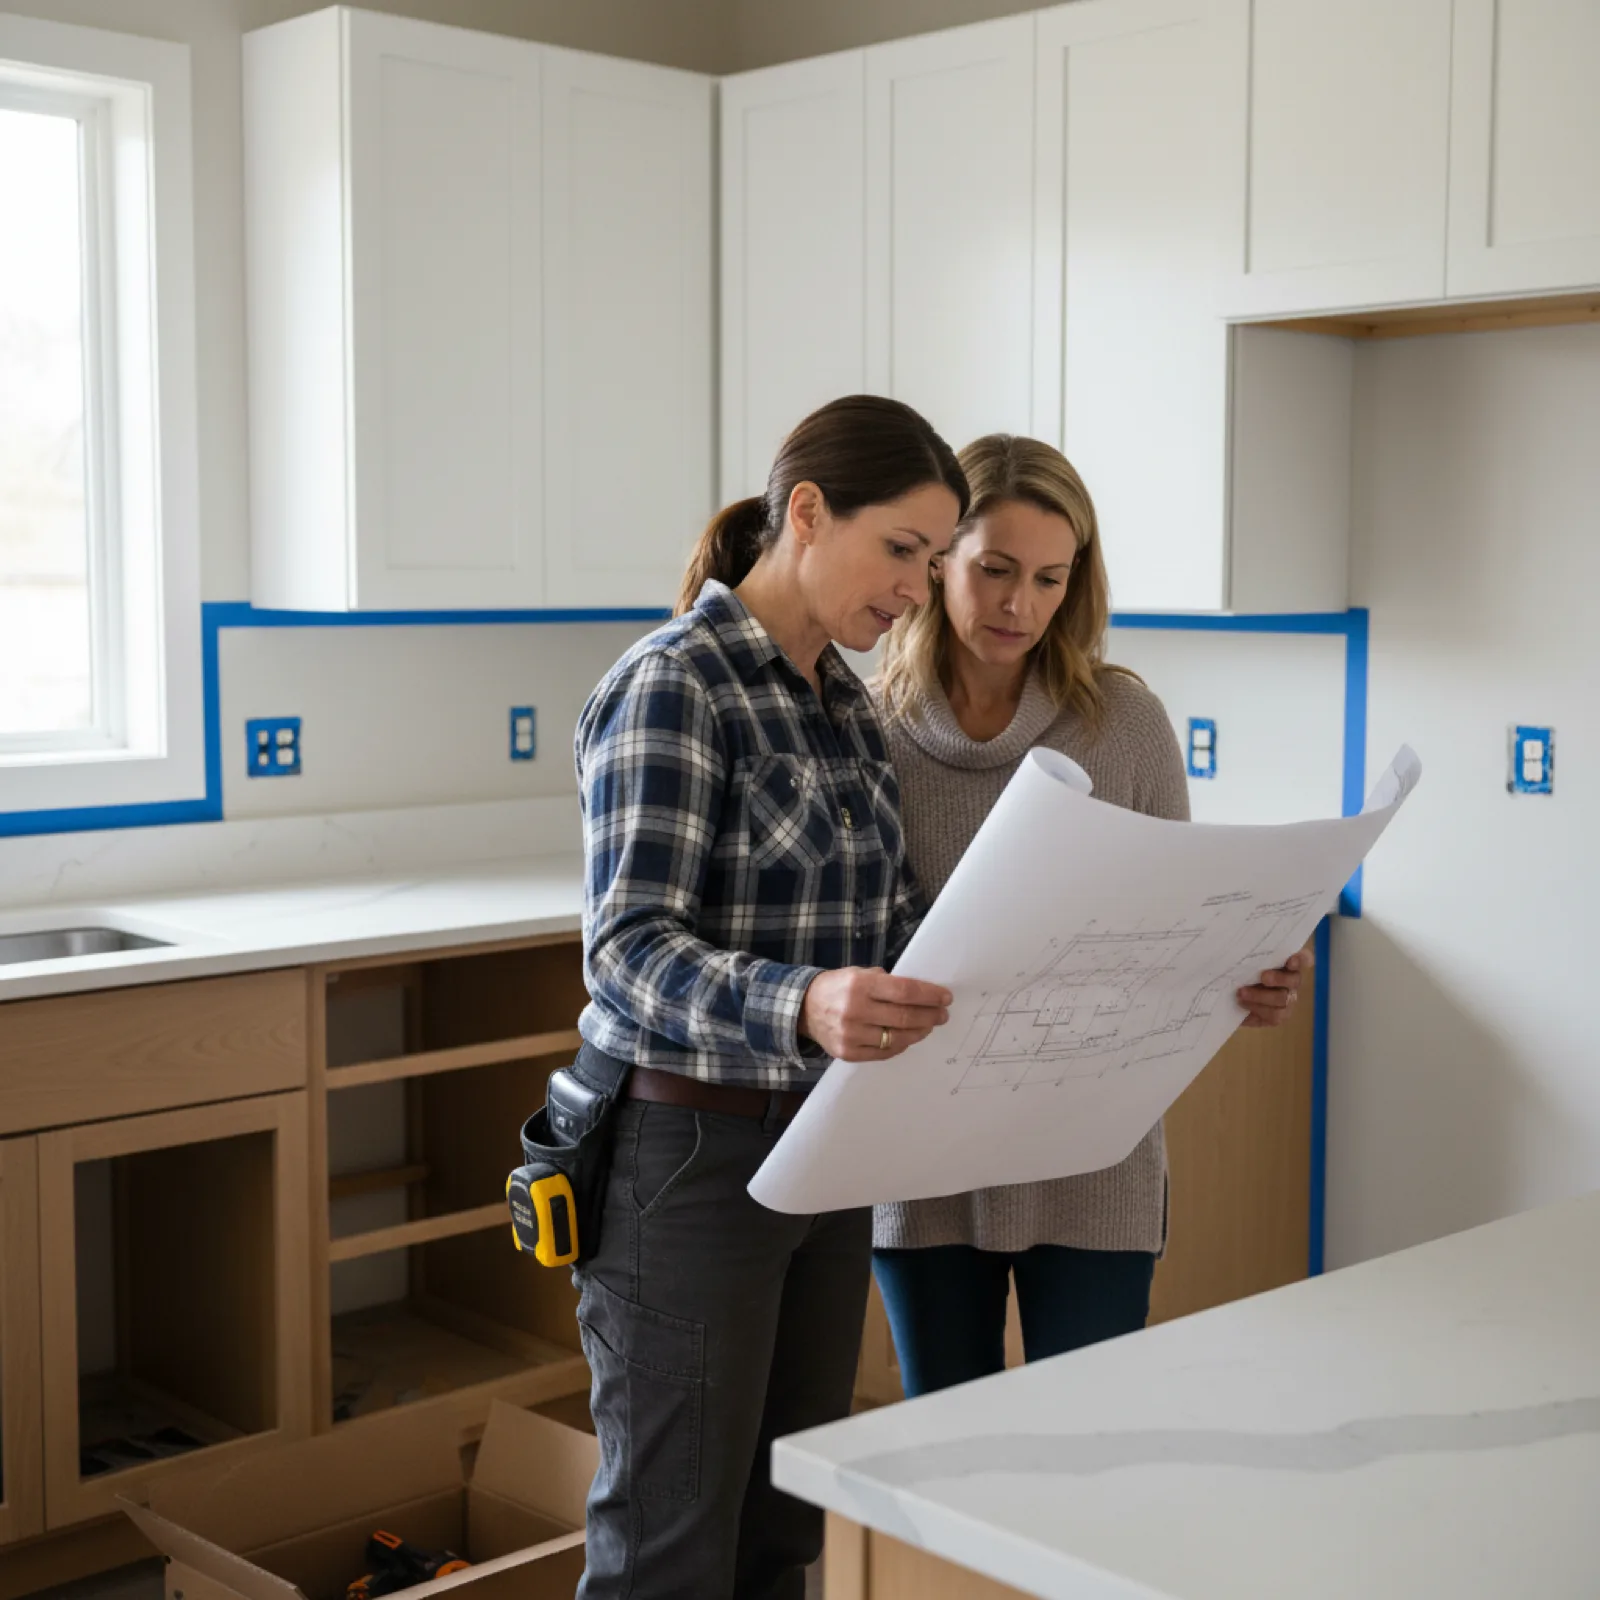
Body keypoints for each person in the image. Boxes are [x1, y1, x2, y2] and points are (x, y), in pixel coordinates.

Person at [570, 396, 966, 1599]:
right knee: (668, 1547)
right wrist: (802, 1004)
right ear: (806, 513)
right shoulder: (675, 685)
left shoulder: (845, 705)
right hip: (683, 1159)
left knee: (780, 1533)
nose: (918, 587)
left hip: (821, 1152)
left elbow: (883, 925)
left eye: (935, 561)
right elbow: (627, 948)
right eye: (902, 548)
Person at [870, 433, 1312, 1398]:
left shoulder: (1127, 726)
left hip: (1093, 1157)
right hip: (924, 1158)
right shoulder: (866, 731)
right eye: (993, 570)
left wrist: (1251, 979)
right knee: (945, 1444)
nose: (1018, 604)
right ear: (941, 558)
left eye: (1049, 578)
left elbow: (1183, 939)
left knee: (1086, 1438)